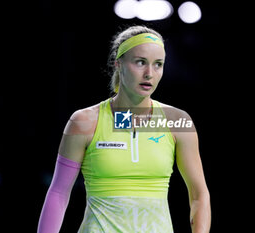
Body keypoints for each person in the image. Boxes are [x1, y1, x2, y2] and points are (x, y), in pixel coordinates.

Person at [37, 25, 211, 233]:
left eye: (158, 64)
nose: (149, 73)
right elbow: (58, 192)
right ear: (118, 64)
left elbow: (199, 195)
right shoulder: (83, 122)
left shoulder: (178, 122)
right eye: (140, 62)